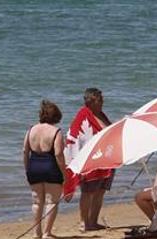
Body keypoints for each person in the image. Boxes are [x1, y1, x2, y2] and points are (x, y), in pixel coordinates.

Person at [64, 88, 112, 232]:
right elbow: (73, 139)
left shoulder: (102, 115)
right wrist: (77, 163)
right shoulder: (82, 116)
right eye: (99, 100)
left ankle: (93, 221)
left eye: (102, 99)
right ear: (90, 101)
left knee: (100, 191)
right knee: (88, 192)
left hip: (106, 160)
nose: (102, 102)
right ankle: (84, 222)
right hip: (90, 161)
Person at [24, 100, 68, 239]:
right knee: (52, 201)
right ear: (56, 116)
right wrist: (65, 173)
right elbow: (58, 154)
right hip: (50, 166)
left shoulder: (31, 130)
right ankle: (47, 233)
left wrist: (27, 169)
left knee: (37, 202)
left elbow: (25, 151)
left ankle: (36, 232)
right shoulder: (56, 132)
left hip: (34, 166)